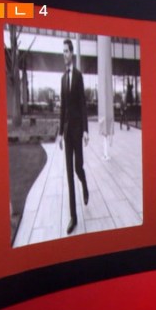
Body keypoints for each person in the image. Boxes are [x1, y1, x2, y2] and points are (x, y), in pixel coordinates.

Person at [57, 38, 90, 235]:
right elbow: (63, 108)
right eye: (63, 52)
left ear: (72, 53)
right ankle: (73, 217)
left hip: (78, 132)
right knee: (69, 174)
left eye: (67, 51)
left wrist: (86, 130)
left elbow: (83, 105)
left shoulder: (78, 77)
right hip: (67, 133)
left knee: (78, 168)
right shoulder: (62, 79)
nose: (64, 55)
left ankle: (84, 183)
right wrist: (60, 133)